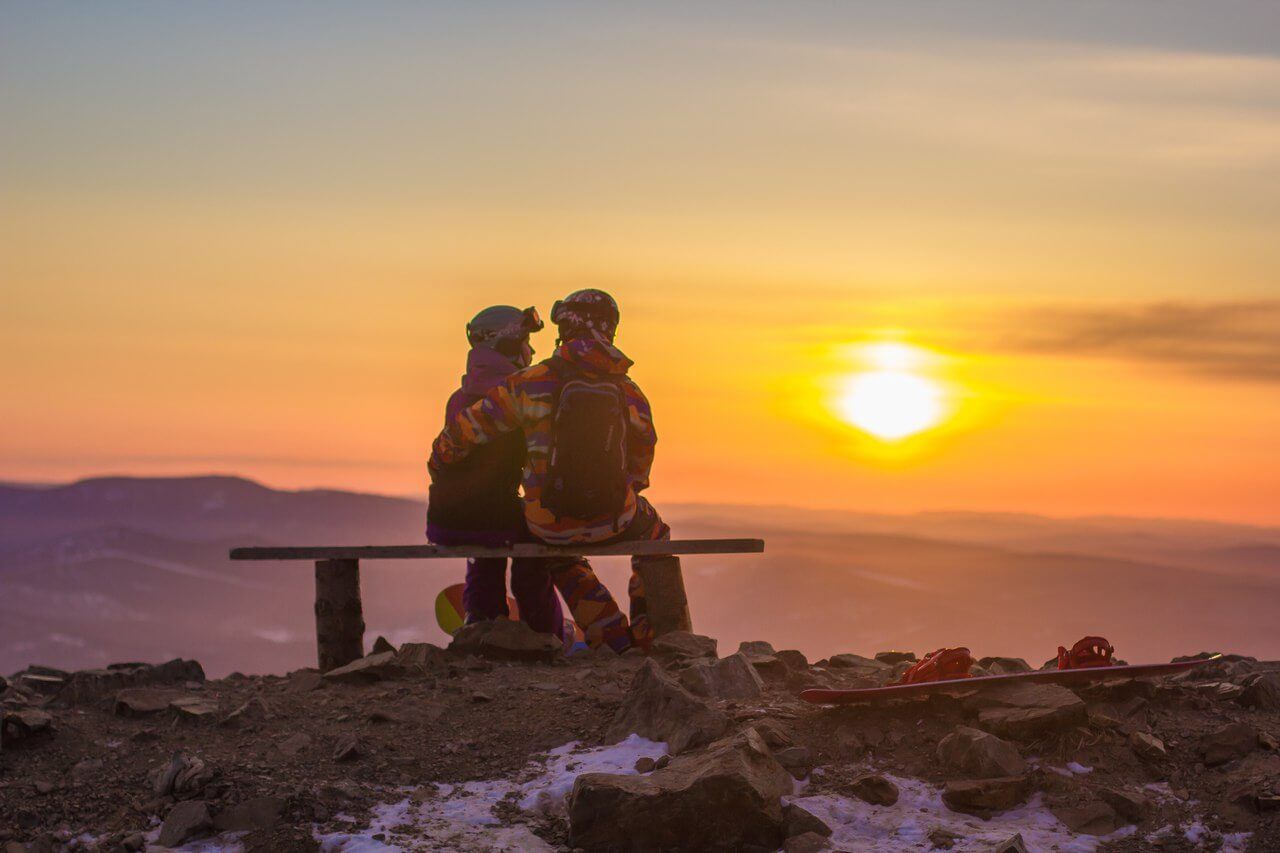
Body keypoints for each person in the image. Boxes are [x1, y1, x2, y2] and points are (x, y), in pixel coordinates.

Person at [429, 289, 688, 650]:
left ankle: (612, 637)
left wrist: (441, 460)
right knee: (655, 534)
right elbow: (644, 451)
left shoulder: (528, 383)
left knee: (561, 555)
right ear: (610, 330)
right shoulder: (627, 390)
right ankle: (659, 635)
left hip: (546, 522)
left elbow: (465, 431)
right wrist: (626, 489)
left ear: (563, 328)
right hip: (615, 514)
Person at [426, 305, 567, 639]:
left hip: (445, 519)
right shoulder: (517, 397)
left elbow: (443, 461)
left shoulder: (458, 399)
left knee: (487, 545)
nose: (532, 350)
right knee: (533, 551)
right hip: (492, 516)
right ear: (507, 345)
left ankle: (482, 619)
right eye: (526, 342)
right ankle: (547, 634)